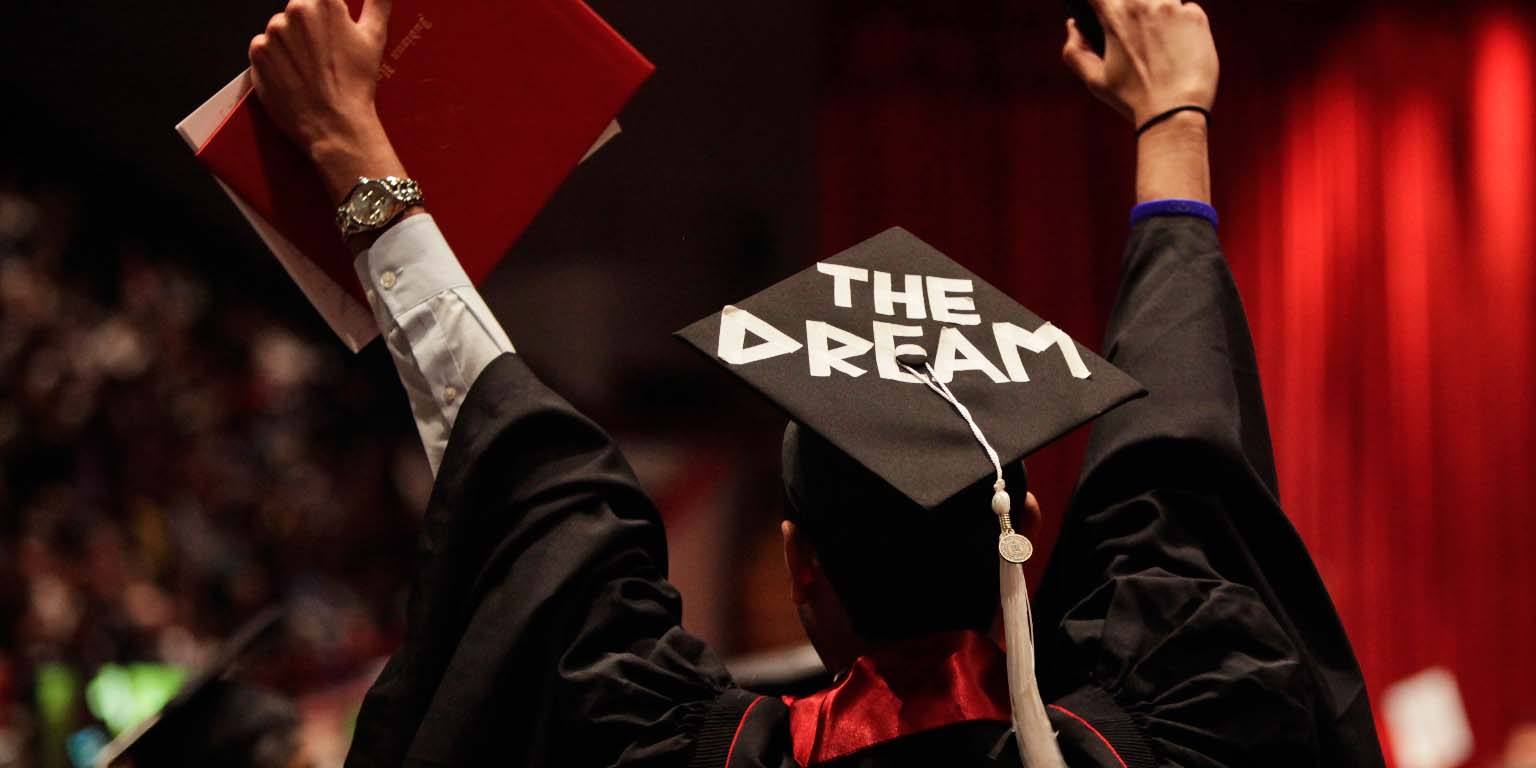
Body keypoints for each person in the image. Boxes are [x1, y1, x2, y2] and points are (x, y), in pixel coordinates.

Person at [244, 0, 1387, 765]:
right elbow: (1186, 486)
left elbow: (537, 513)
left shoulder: (677, 752)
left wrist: (352, 149)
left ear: (802, 568)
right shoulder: (1182, 733)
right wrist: (1173, 114)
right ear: (1025, 532)